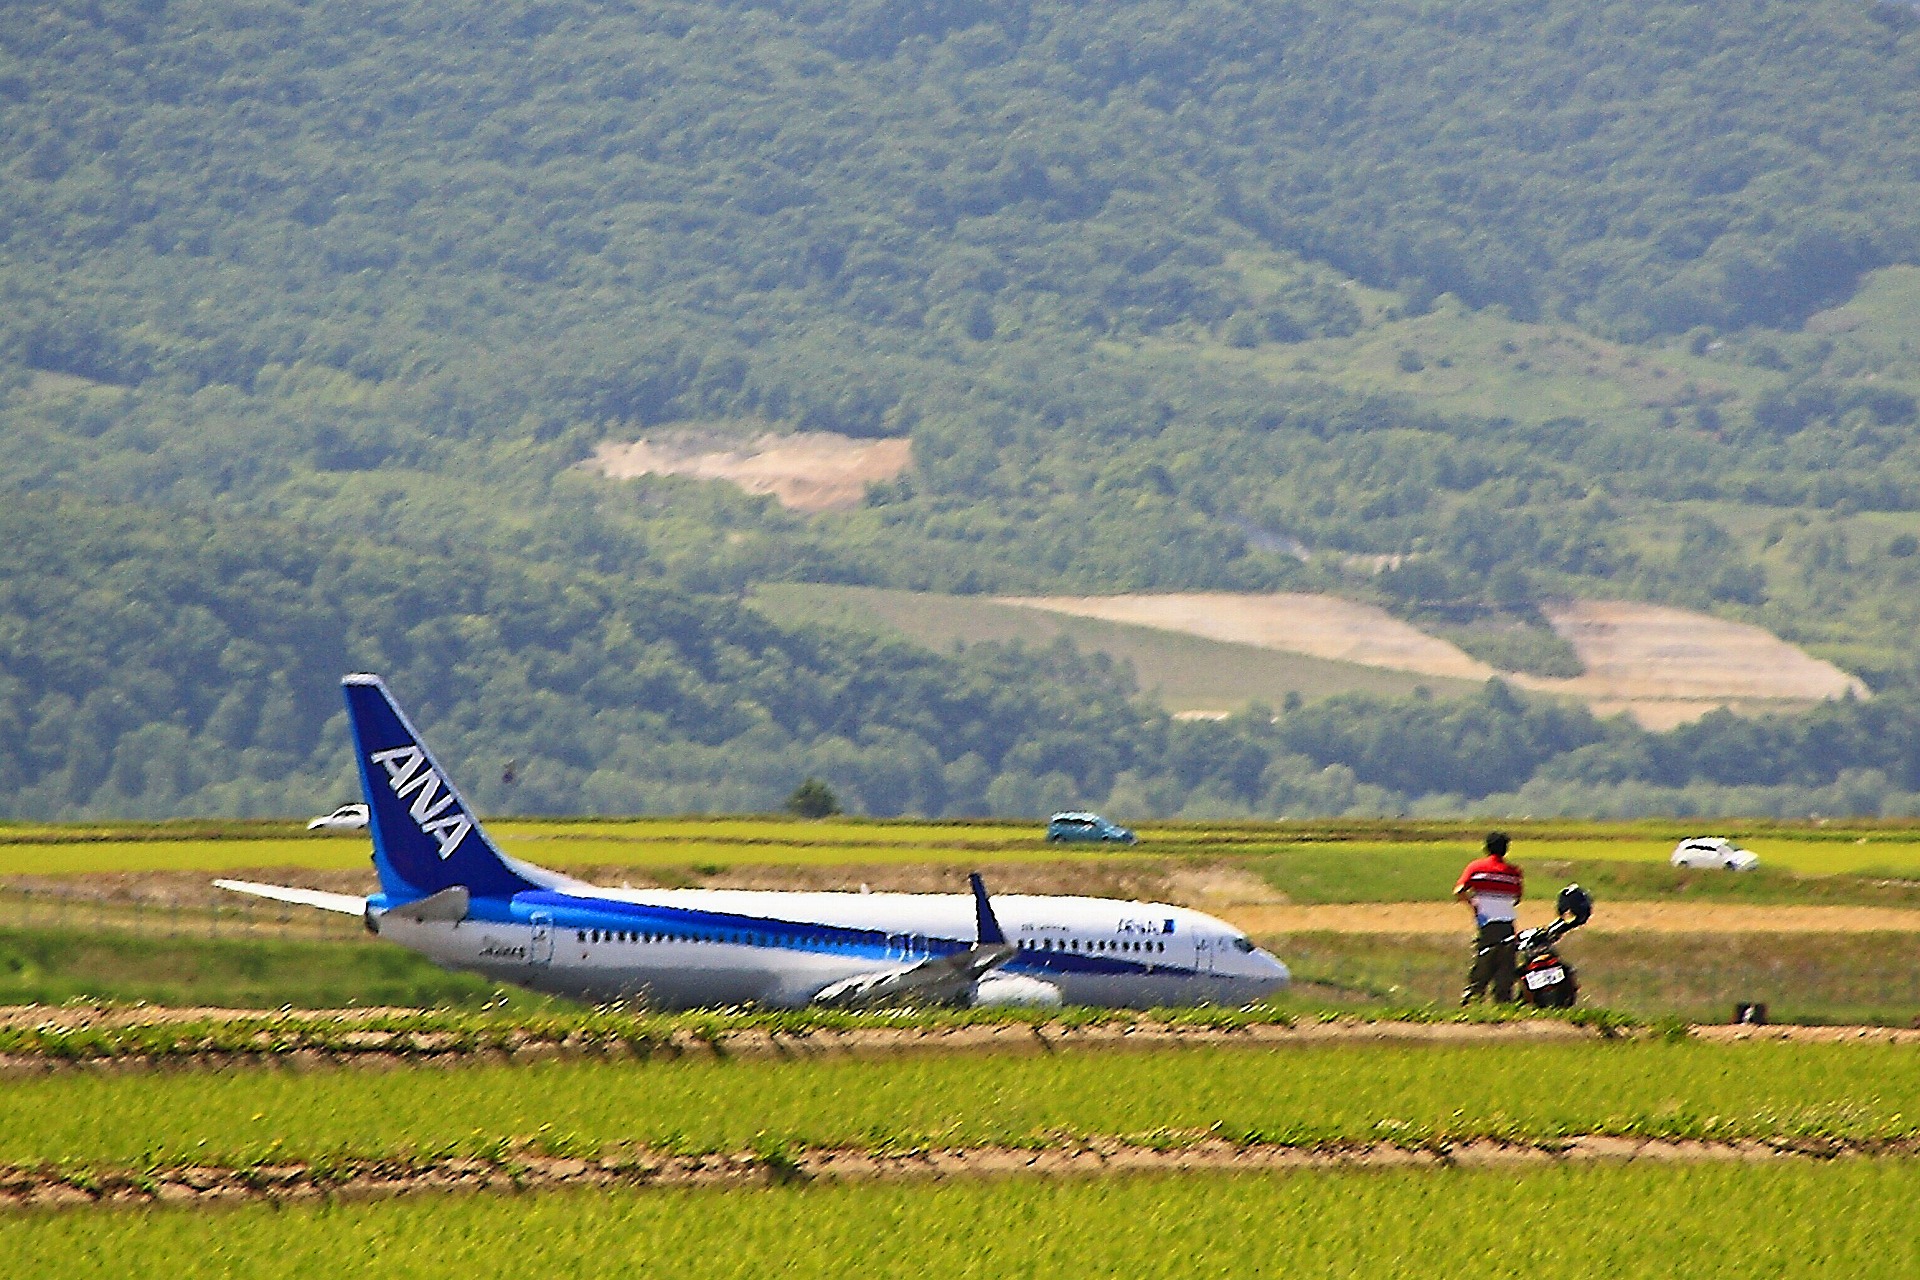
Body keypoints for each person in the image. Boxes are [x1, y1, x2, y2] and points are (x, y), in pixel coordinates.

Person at [1456, 831, 1524, 1004]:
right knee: (1505, 975)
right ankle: (1503, 1012)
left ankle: (1472, 1007)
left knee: (1480, 970)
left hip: (1486, 926)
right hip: (1508, 926)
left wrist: (1474, 905)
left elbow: (1459, 891)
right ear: (1506, 850)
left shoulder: (1476, 868)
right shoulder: (1514, 873)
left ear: (1486, 848)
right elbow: (1516, 899)